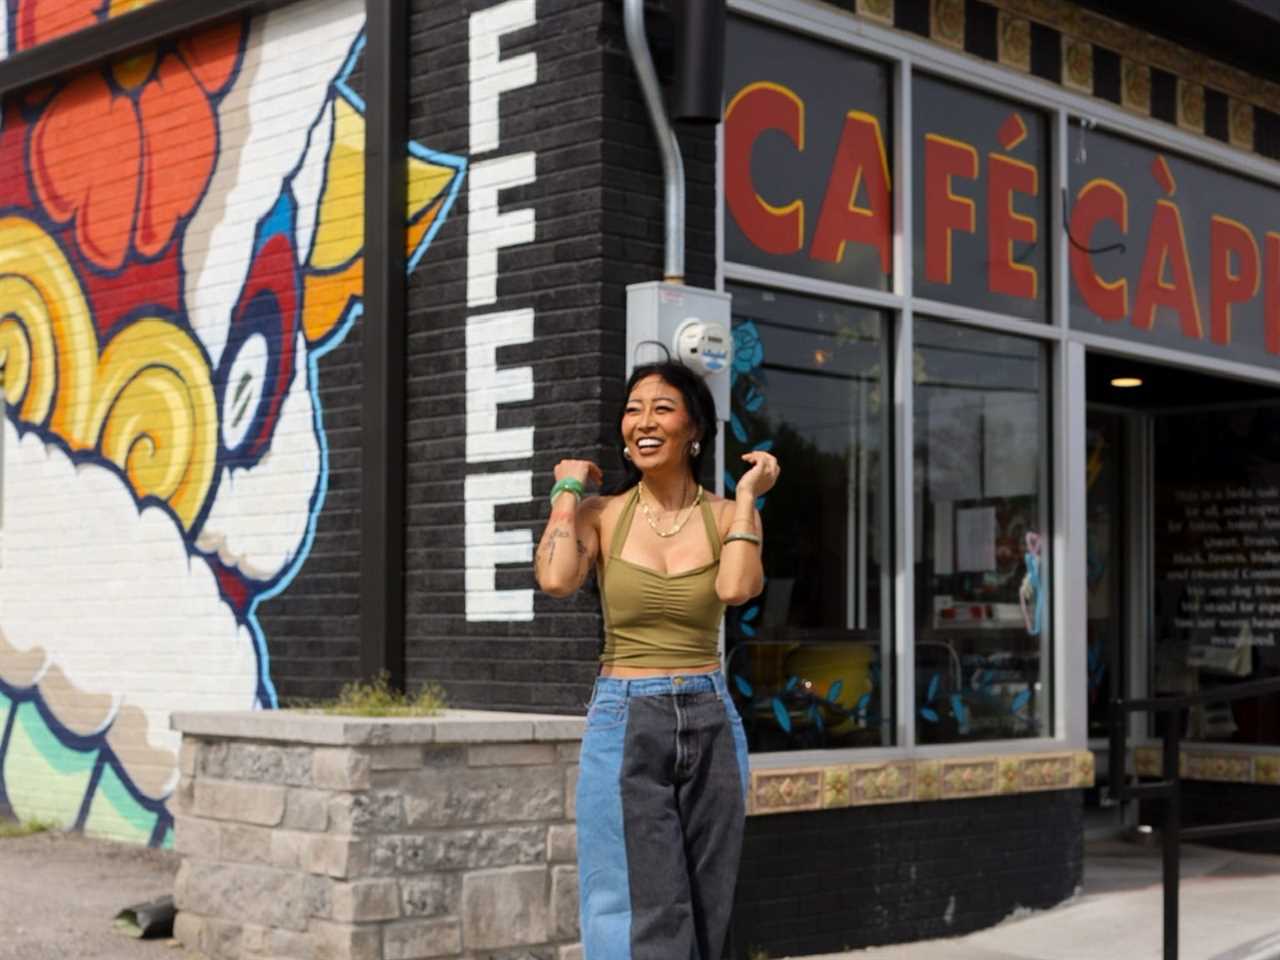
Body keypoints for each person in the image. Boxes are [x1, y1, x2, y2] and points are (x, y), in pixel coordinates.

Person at [535, 361, 780, 960]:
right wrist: (567, 495)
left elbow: (737, 589)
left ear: (694, 428)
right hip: (626, 717)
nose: (643, 422)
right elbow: (557, 578)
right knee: (627, 900)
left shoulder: (727, 517)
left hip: (710, 715)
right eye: (633, 409)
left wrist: (746, 497)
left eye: (662, 408)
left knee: (706, 898)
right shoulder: (601, 514)